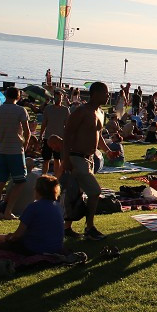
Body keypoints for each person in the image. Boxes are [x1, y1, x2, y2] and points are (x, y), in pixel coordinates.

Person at [61, 82, 110, 240]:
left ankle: (66, 228)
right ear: (95, 93)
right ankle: (90, 227)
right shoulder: (81, 111)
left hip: (89, 159)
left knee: (75, 194)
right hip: (77, 157)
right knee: (95, 192)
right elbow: (68, 134)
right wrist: (65, 158)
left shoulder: (101, 113)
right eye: (106, 93)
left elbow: (98, 135)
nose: (108, 96)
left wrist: (108, 151)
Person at [0, 174, 65, 255]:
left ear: (37, 190)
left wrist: (8, 237)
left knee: (8, 244)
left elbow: (18, 235)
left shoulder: (34, 207)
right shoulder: (58, 206)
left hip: (37, 249)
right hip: (56, 247)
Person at [0, 87, 31, 220]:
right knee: (20, 181)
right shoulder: (21, 110)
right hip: (15, 150)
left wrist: (0, 139)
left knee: (0, 182)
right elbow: (27, 132)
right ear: (18, 97)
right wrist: (25, 145)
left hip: (2, 150)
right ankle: (7, 211)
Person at [39, 93, 70, 175]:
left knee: (57, 159)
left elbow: (67, 125)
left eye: (59, 97)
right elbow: (44, 123)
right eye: (56, 97)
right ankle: (43, 176)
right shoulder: (48, 109)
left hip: (59, 139)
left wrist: (67, 138)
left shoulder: (65, 110)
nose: (58, 99)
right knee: (46, 159)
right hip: (48, 137)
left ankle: (57, 177)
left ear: (62, 98)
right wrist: (41, 135)